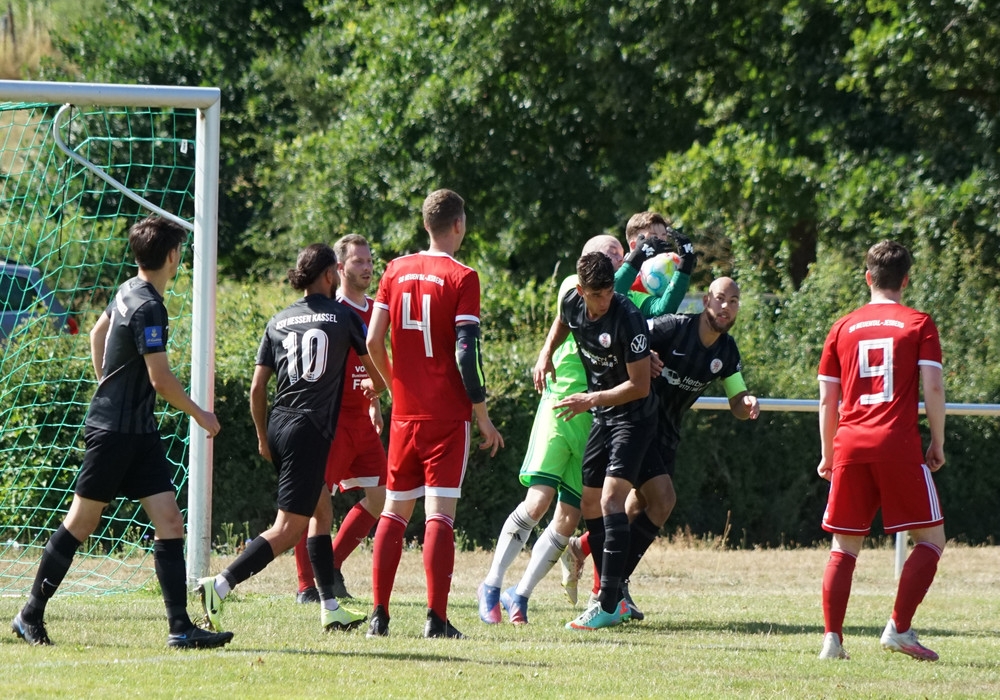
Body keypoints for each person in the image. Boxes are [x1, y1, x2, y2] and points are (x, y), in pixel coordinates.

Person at [10, 215, 232, 649]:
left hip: (138, 432)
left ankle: (180, 628)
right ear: (173, 256)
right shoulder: (149, 305)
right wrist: (200, 414)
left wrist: (105, 382)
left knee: (170, 520)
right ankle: (29, 614)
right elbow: (160, 380)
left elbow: (97, 333)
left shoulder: (127, 289)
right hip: (114, 432)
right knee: (82, 522)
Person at [197, 243, 385, 636]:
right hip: (310, 430)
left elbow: (257, 389)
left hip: (280, 426)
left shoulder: (278, 320)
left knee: (321, 513)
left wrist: (263, 438)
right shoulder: (344, 316)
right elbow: (375, 368)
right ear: (330, 275)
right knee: (287, 528)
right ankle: (221, 585)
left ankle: (330, 607)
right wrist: (379, 388)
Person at [365, 188, 504, 639]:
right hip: (446, 415)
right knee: (440, 515)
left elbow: (372, 341)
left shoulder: (394, 269)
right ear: (458, 225)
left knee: (393, 512)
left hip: (405, 414)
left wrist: (393, 387)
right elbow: (467, 352)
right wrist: (482, 414)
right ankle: (436, 619)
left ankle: (379, 616)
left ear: (426, 224)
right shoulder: (464, 276)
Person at [476, 234, 625, 625]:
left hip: (595, 419)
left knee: (569, 516)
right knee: (537, 501)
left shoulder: (620, 302)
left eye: (619, 253)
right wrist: (545, 353)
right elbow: (562, 318)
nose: (614, 257)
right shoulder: (575, 286)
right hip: (560, 404)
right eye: (607, 252)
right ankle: (490, 584)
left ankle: (520, 594)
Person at [816, 240, 946, 662]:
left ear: (867, 277)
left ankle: (832, 641)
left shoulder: (842, 327)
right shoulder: (918, 323)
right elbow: (933, 387)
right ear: (905, 280)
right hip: (897, 443)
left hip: (850, 444)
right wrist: (938, 441)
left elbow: (827, 400)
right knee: (931, 539)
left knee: (843, 547)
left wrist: (827, 453)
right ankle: (898, 629)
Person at [560, 212, 697, 608]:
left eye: (664, 241)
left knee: (658, 500)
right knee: (614, 501)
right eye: (651, 240)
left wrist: (685, 268)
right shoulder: (614, 288)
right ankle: (609, 593)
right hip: (619, 410)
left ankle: (606, 579)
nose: (660, 248)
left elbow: (667, 307)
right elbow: (602, 298)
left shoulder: (640, 299)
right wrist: (638, 258)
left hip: (652, 407)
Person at [534, 251, 656, 631]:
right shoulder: (572, 301)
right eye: (596, 295)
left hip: (633, 418)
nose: (604, 301)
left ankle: (607, 601)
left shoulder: (629, 319)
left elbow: (640, 385)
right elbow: (562, 320)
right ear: (581, 289)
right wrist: (546, 353)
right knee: (589, 501)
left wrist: (590, 399)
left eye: (608, 293)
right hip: (603, 415)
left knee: (610, 501)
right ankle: (610, 597)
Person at [291, 234, 386, 604]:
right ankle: (306, 586)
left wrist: (375, 403)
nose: (367, 267)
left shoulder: (377, 309)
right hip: (330, 422)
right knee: (313, 504)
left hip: (362, 420)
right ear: (339, 269)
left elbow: (375, 363)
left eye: (369, 260)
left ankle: (330, 565)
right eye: (358, 261)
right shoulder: (330, 310)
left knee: (382, 497)